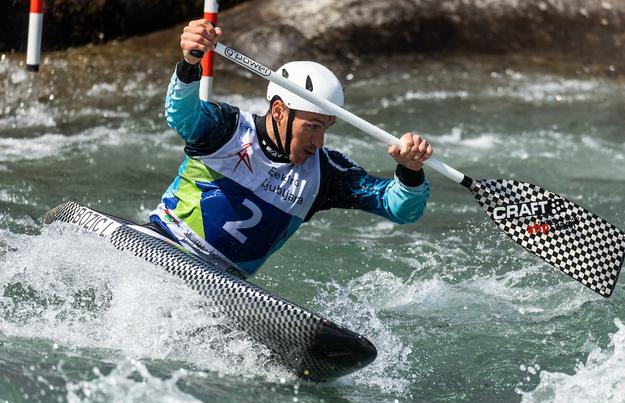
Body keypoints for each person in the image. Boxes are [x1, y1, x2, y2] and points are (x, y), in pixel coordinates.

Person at [148, 19, 434, 278]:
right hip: (165, 244)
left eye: (326, 127)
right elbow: (181, 115)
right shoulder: (227, 130)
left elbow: (399, 208)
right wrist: (189, 63)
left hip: (226, 283)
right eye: (312, 126)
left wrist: (410, 171)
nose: (319, 141)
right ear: (279, 111)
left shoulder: (325, 175)